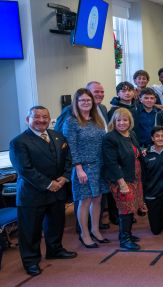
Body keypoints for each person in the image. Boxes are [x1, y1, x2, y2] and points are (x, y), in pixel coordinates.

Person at [10, 106, 76, 276]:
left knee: (56, 224)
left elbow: (68, 160)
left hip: (58, 190)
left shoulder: (58, 136)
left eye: (45, 117)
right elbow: (25, 169)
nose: (41, 120)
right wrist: (48, 184)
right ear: (28, 119)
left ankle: (55, 250)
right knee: (30, 231)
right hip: (32, 194)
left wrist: (64, 177)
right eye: (36, 117)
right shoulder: (19, 142)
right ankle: (31, 261)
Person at [62, 89, 109, 249]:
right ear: (76, 103)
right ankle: (85, 234)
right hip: (84, 167)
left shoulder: (97, 120)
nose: (86, 103)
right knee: (85, 200)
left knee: (98, 199)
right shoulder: (72, 121)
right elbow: (71, 148)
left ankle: (95, 230)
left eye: (88, 100)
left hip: (100, 165)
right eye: (82, 100)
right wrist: (79, 169)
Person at [102, 108, 147, 251]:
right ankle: (124, 239)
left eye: (125, 120)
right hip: (121, 179)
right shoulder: (110, 138)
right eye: (118, 120)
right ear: (114, 122)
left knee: (132, 206)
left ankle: (128, 233)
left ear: (130, 121)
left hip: (135, 176)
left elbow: (135, 152)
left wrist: (141, 152)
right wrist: (121, 184)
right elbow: (111, 163)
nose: (122, 123)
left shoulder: (131, 134)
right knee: (125, 208)